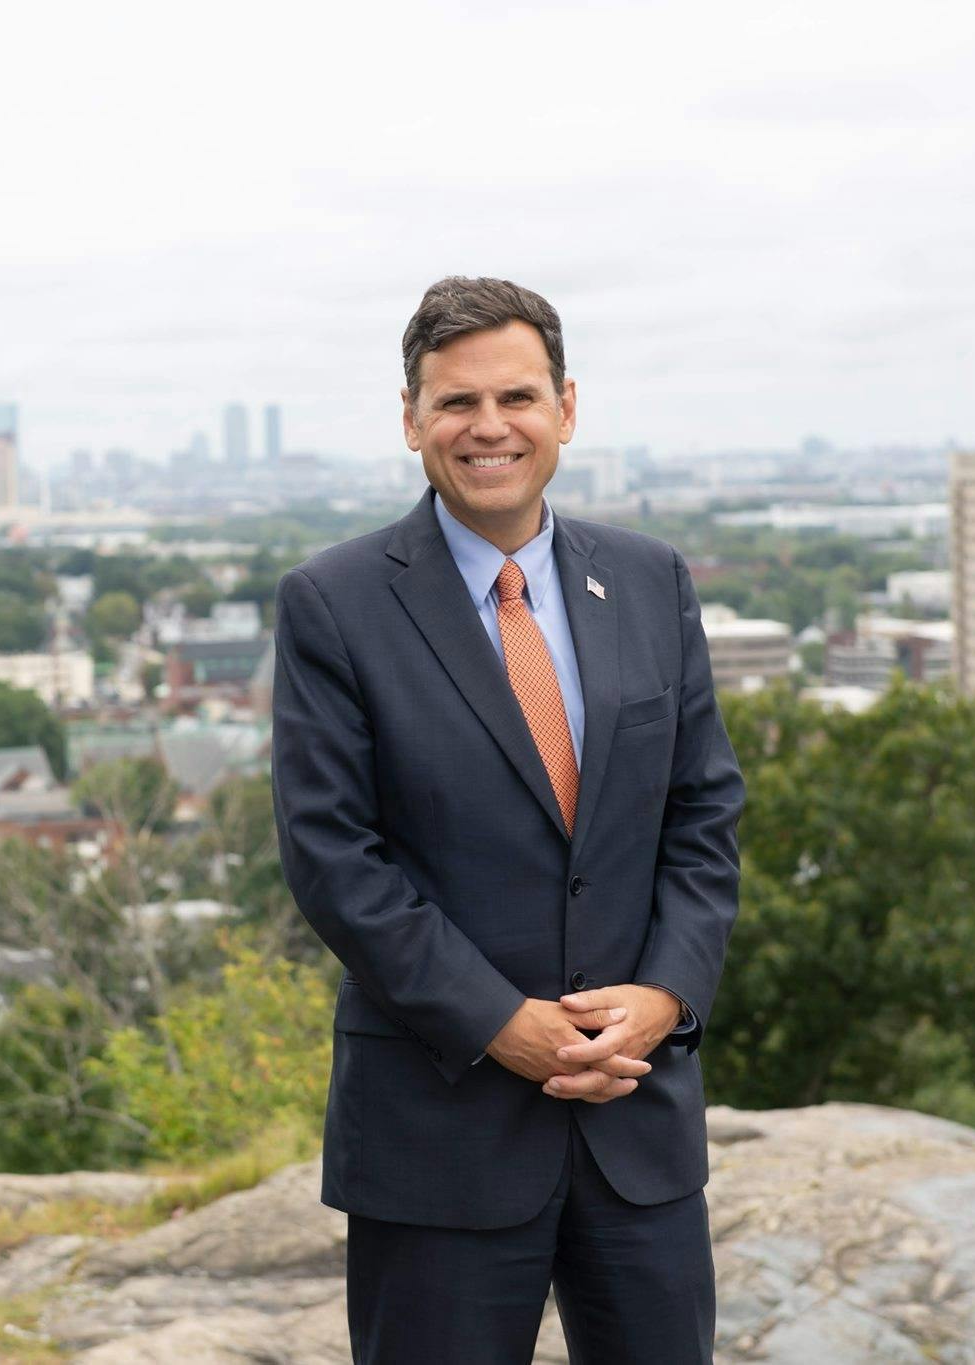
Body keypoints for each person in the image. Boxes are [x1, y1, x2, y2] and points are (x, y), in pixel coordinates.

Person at [270, 275, 746, 1363]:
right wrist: (499, 1022)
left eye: (517, 397)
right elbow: (334, 856)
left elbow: (702, 812)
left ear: (564, 410)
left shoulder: (651, 580)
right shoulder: (334, 602)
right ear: (411, 421)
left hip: (636, 1116)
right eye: (456, 402)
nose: (489, 426)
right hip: (439, 1131)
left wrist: (666, 995)